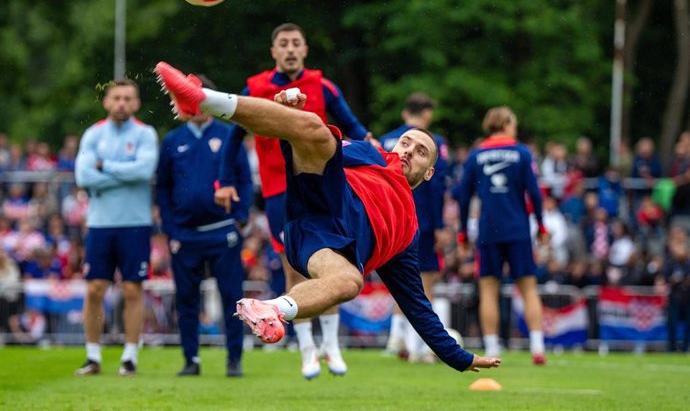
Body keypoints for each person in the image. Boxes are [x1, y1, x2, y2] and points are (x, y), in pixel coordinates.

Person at [155, 61, 501, 374]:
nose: (408, 150)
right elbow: (316, 151)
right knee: (316, 128)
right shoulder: (372, 153)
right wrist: (292, 126)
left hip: (326, 251)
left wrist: (458, 357)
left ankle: (271, 309)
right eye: (405, 142)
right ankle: (201, 99)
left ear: (429, 173)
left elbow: (418, 307)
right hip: (320, 200)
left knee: (351, 282)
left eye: (420, 150)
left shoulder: (408, 232)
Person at [214, 23, 372, 379]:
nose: (289, 49)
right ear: (273, 52)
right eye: (282, 44)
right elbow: (232, 139)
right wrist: (224, 181)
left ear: (305, 50)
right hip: (278, 193)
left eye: (295, 43)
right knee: (293, 267)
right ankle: (307, 350)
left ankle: (331, 346)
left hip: (322, 189)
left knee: (330, 263)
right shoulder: (255, 87)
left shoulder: (322, 85)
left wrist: (376, 155)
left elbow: (356, 128)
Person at [156, 76, 253, 377]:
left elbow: (245, 180)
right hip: (185, 235)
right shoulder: (172, 141)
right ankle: (191, 360)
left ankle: (234, 359)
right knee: (186, 300)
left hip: (223, 231)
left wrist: (240, 219)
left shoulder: (229, 136)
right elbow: (162, 188)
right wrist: (171, 231)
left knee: (232, 299)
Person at [74, 79, 159, 376]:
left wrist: (105, 167)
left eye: (128, 98)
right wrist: (125, 173)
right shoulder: (93, 135)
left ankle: (130, 356)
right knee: (95, 288)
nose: (122, 103)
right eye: (116, 98)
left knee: (133, 289)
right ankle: (93, 355)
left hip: (135, 223)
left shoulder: (146, 134)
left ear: (136, 103)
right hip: (100, 223)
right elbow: (83, 177)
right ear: (107, 102)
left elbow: (144, 171)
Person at [453, 106, 547, 365]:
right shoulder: (522, 152)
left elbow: (463, 197)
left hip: (488, 232)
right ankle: (537, 349)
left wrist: (463, 233)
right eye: (513, 122)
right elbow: (535, 193)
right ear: (506, 123)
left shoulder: (475, 156)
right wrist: (541, 226)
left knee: (488, 290)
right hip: (517, 229)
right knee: (528, 288)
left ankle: (492, 348)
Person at [380, 93, 451, 362]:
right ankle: (420, 345)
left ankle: (396, 337)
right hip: (422, 220)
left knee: (399, 279)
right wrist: (441, 225)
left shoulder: (389, 140)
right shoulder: (433, 144)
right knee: (425, 282)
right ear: (427, 115)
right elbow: (436, 187)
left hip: (388, 219)